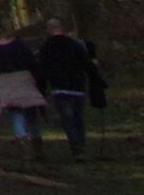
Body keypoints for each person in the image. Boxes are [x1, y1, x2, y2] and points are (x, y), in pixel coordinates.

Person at [35, 19, 101, 161]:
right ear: (61, 28)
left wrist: (41, 90)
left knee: (68, 119)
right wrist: (95, 77)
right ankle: (81, 145)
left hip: (60, 88)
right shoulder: (74, 44)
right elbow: (88, 64)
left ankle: (76, 147)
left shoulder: (46, 48)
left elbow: (41, 71)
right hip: (78, 87)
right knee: (78, 118)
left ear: (48, 30)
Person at [0, 25, 49, 162]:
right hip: (25, 79)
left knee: (16, 114)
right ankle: (38, 149)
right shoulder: (21, 46)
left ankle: (25, 151)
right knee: (32, 114)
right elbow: (32, 63)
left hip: (6, 81)